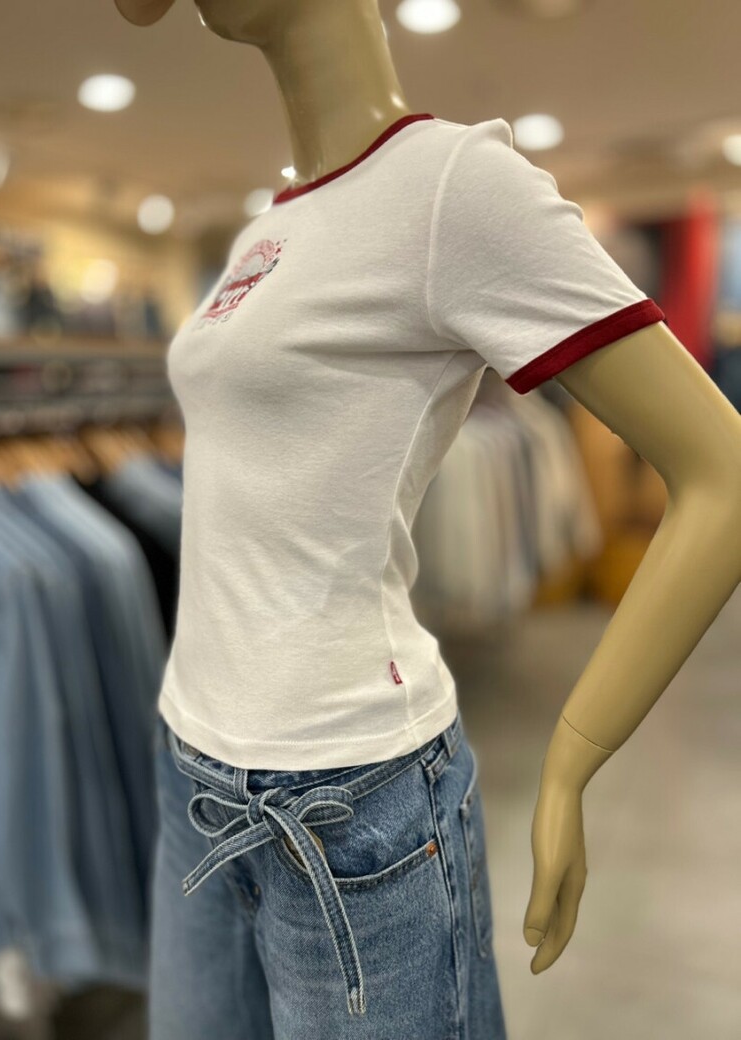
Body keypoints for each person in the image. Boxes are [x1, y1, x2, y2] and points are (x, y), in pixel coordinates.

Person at [114, 2, 741, 1038]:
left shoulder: (453, 186)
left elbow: (722, 470)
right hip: (192, 770)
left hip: (349, 810)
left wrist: (572, 758)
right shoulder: (268, 231)